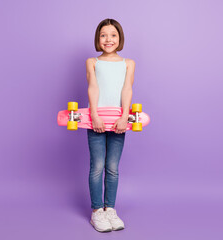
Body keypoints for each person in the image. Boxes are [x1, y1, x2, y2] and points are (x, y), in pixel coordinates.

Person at [85, 18, 135, 233]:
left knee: (112, 168)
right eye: (103, 35)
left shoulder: (128, 63)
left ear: (119, 38)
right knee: (97, 167)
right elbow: (93, 88)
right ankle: (97, 211)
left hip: (119, 122)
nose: (108, 39)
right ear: (98, 38)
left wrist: (124, 117)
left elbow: (127, 91)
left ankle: (110, 209)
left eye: (113, 35)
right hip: (96, 119)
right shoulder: (92, 62)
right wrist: (94, 115)